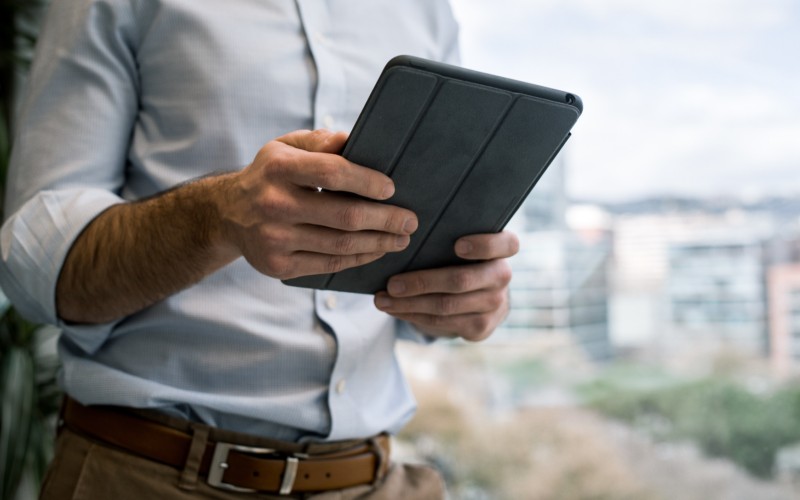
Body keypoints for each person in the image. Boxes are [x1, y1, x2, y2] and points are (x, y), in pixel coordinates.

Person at [0, 0, 518, 498]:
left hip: (378, 480)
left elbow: (420, 255)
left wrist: (461, 294)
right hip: (148, 477)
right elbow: (37, 269)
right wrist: (218, 216)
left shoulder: (427, 8)